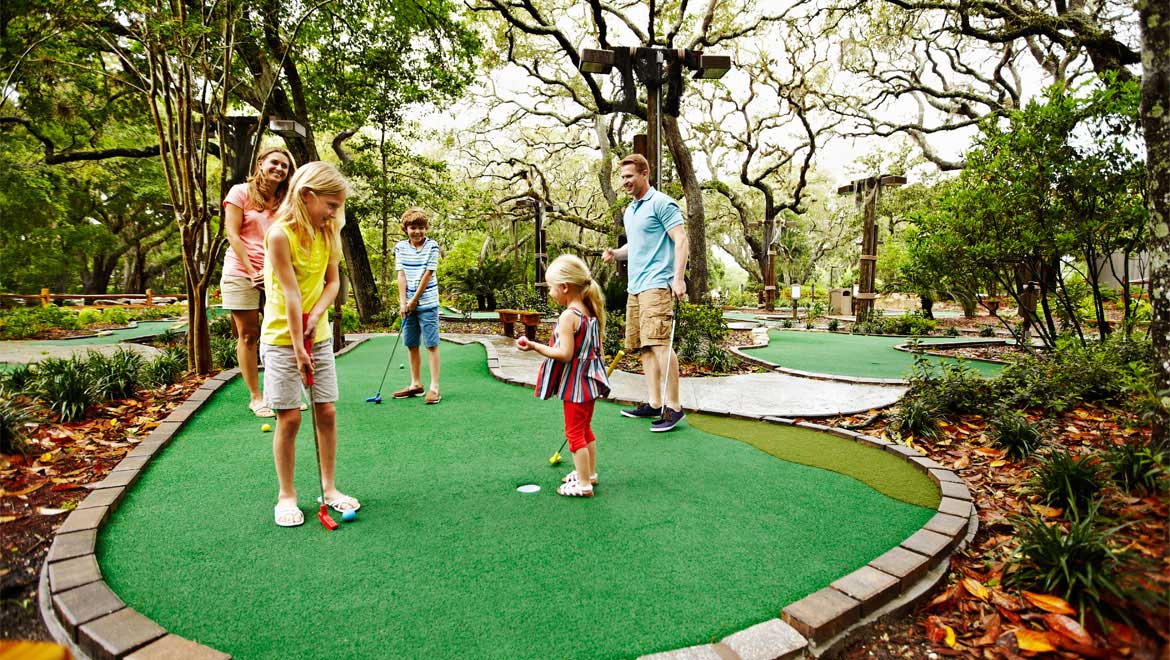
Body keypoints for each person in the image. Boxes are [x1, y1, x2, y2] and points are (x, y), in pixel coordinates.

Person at [260, 161, 359, 527]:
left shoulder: (328, 231)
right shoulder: (280, 235)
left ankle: (329, 488)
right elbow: (289, 292)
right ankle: (286, 494)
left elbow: (332, 283)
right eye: (330, 205)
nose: (335, 213)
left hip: (315, 334)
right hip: (282, 337)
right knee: (288, 418)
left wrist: (316, 319)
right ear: (306, 196)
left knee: (327, 411)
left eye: (338, 207)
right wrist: (298, 346)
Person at [602, 154, 690, 432]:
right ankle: (653, 402)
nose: (625, 182)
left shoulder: (662, 204)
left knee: (661, 344)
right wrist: (616, 253)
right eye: (622, 177)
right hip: (636, 287)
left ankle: (674, 407)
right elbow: (636, 244)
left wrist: (678, 279)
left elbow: (681, 239)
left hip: (657, 285)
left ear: (645, 173)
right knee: (645, 347)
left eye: (629, 176)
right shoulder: (631, 210)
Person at [517, 255, 610, 497]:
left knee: (574, 434)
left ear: (565, 287)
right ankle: (588, 473)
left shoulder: (569, 316)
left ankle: (584, 485)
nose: (550, 292)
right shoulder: (590, 311)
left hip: (576, 386)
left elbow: (564, 354)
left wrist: (534, 346)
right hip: (590, 383)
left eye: (551, 287)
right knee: (586, 429)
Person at [220, 146, 296, 418]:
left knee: (286, 332)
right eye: (274, 163)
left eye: (284, 166)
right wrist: (253, 270)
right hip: (242, 270)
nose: (279, 169)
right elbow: (233, 234)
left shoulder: (288, 200)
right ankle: (256, 396)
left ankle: (285, 393)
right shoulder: (240, 192)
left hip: (277, 273)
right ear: (261, 163)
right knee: (249, 334)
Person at [392, 208, 442, 405]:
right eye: (413, 227)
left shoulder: (432, 246)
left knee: (431, 344)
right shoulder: (400, 248)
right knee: (411, 344)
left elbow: (428, 274)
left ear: (426, 228)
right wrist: (403, 302)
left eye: (421, 227)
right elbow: (401, 275)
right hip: (408, 305)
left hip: (427, 303)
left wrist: (414, 301)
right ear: (406, 229)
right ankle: (415, 384)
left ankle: (434, 387)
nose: (417, 232)